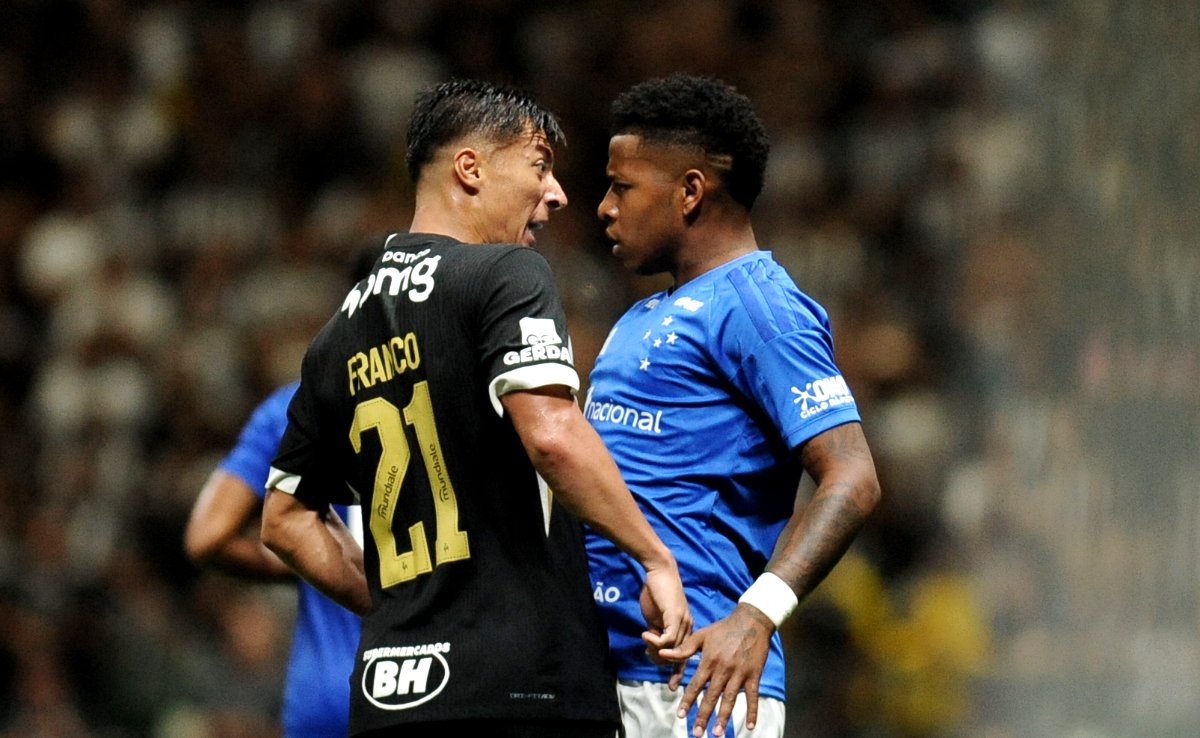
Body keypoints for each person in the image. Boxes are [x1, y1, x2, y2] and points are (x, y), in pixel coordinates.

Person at [259, 78, 691, 738]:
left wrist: (403, 611)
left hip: (388, 700)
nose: (557, 194)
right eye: (539, 166)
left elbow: (284, 519)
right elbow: (551, 435)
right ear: (470, 168)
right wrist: (655, 558)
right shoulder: (503, 274)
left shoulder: (333, 339)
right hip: (521, 691)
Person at [584, 73, 882, 738]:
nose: (604, 208)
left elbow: (853, 477)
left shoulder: (760, 306)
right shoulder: (641, 315)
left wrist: (757, 616)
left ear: (690, 191)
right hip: (606, 677)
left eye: (622, 187)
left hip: (700, 688)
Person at [183, 380, 362, 738]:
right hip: (437, 682)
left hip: (327, 696)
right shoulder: (449, 389)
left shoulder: (295, 407)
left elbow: (208, 536)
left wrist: (315, 563)